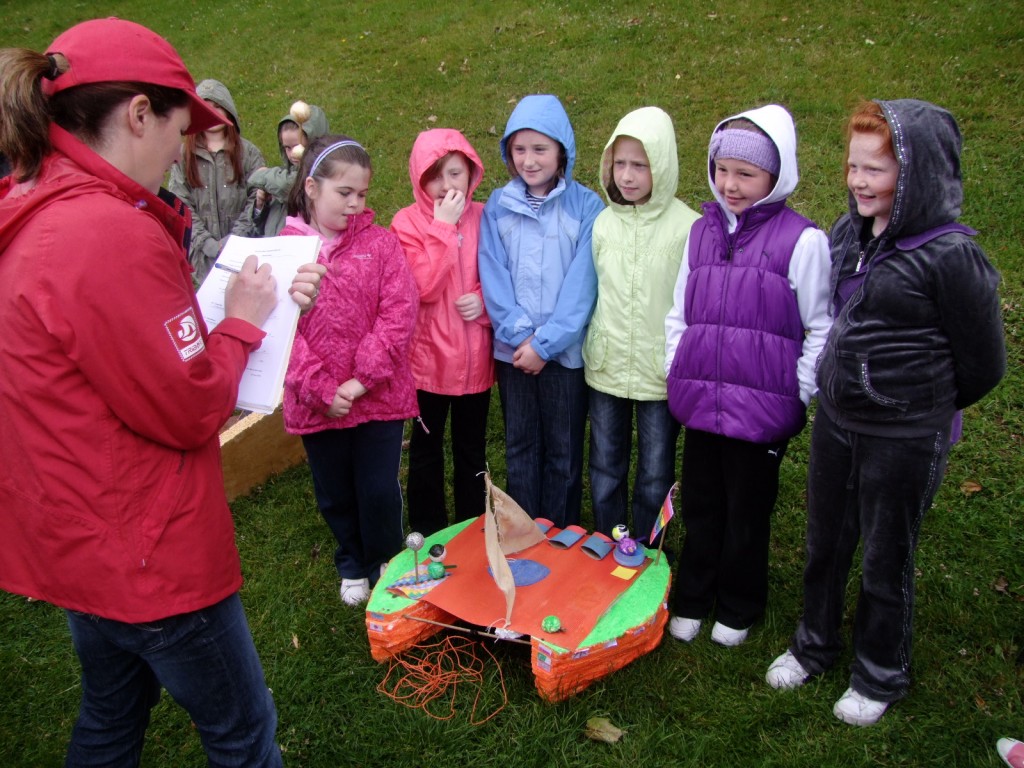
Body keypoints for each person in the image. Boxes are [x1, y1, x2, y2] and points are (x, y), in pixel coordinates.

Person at [0, 18, 324, 767]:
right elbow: (188, 407)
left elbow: (123, 356)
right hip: (150, 551)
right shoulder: (102, 232)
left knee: (113, 715)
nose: (182, 154)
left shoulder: (39, 201)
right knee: (244, 731)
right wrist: (242, 324)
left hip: (82, 539)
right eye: (180, 132)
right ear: (138, 115)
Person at [764, 100, 1006, 727]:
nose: (859, 181)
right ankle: (813, 644)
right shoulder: (850, 234)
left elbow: (983, 365)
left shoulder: (952, 257)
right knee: (825, 542)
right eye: (853, 166)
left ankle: (879, 673)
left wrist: (919, 409)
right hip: (838, 425)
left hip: (904, 436)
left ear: (918, 176)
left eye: (876, 170)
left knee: (884, 556)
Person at [665, 105, 832, 648]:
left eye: (746, 174)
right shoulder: (700, 232)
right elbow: (679, 311)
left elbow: (820, 326)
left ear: (775, 176)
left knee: (747, 512)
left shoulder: (802, 242)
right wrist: (678, 365)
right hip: (702, 402)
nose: (730, 185)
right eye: (722, 170)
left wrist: (799, 392)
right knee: (702, 505)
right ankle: (692, 596)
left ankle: (738, 605)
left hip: (762, 412)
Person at [281, 134, 419, 606]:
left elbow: (399, 313)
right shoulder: (285, 251)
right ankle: (351, 561)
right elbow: (280, 332)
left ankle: (384, 557)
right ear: (313, 188)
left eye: (362, 194)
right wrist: (321, 388)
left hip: (376, 394)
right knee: (335, 489)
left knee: (378, 486)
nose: (356, 204)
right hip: (317, 400)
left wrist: (360, 380)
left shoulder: (380, 244)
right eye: (345, 193)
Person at [478, 94, 604, 527]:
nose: (529, 161)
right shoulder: (498, 205)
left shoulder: (586, 207)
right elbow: (492, 273)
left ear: (561, 151)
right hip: (512, 354)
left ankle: (560, 534)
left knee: (564, 450)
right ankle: (524, 531)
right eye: (520, 150)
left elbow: (582, 286)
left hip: (562, 355)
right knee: (520, 446)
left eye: (540, 149)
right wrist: (520, 336)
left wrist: (546, 344)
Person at [583, 106, 699, 544]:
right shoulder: (602, 224)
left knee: (655, 470)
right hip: (607, 366)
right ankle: (608, 541)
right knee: (606, 464)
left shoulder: (688, 228)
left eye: (641, 165)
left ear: (662, 167)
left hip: (659, 372)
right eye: (620, 163)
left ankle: (649, 551)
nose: (628, 176)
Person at [390, 129, 494, 537]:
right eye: (435, 175)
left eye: (454, 173)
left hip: (475, 363)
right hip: (428, 365)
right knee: (426, 451)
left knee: (472, 450)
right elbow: (423, 288)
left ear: (471, 174)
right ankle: (428, 528)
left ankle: (472, 527)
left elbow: (503, 277)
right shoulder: (407, 223)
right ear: (419, 179)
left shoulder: (486, 217)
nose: (446, 185)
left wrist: (485, 304)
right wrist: (443, 227)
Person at [168, 78, 265, 281]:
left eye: (219, 106)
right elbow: (180, 204)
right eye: (206, 107)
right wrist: (207, 243)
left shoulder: (248, 153)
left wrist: (235, 239)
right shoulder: (184, 155)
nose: (213, 112)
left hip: (245, 250)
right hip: (202, 256)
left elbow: (257, 197)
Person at [249, 100, 329, 237]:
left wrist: (261, 175)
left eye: (297, 146)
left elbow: (288, 185)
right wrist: (260, 205)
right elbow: (260, 228)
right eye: (287, 147)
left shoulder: (320, 177)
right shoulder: (279, 176)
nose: (292, 154)